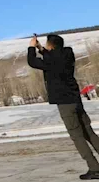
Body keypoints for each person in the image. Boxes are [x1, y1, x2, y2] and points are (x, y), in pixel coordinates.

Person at [28, 34, 99, 180]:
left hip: (65, 102)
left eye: (47, 45)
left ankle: (94, 168)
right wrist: (40, 48)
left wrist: (31, 47)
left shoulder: (51, 60)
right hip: (76, 99)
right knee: (88, 132)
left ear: (52, 46)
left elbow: (32, 62)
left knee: (76, 135)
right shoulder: (68, 54)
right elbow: (52, 56)